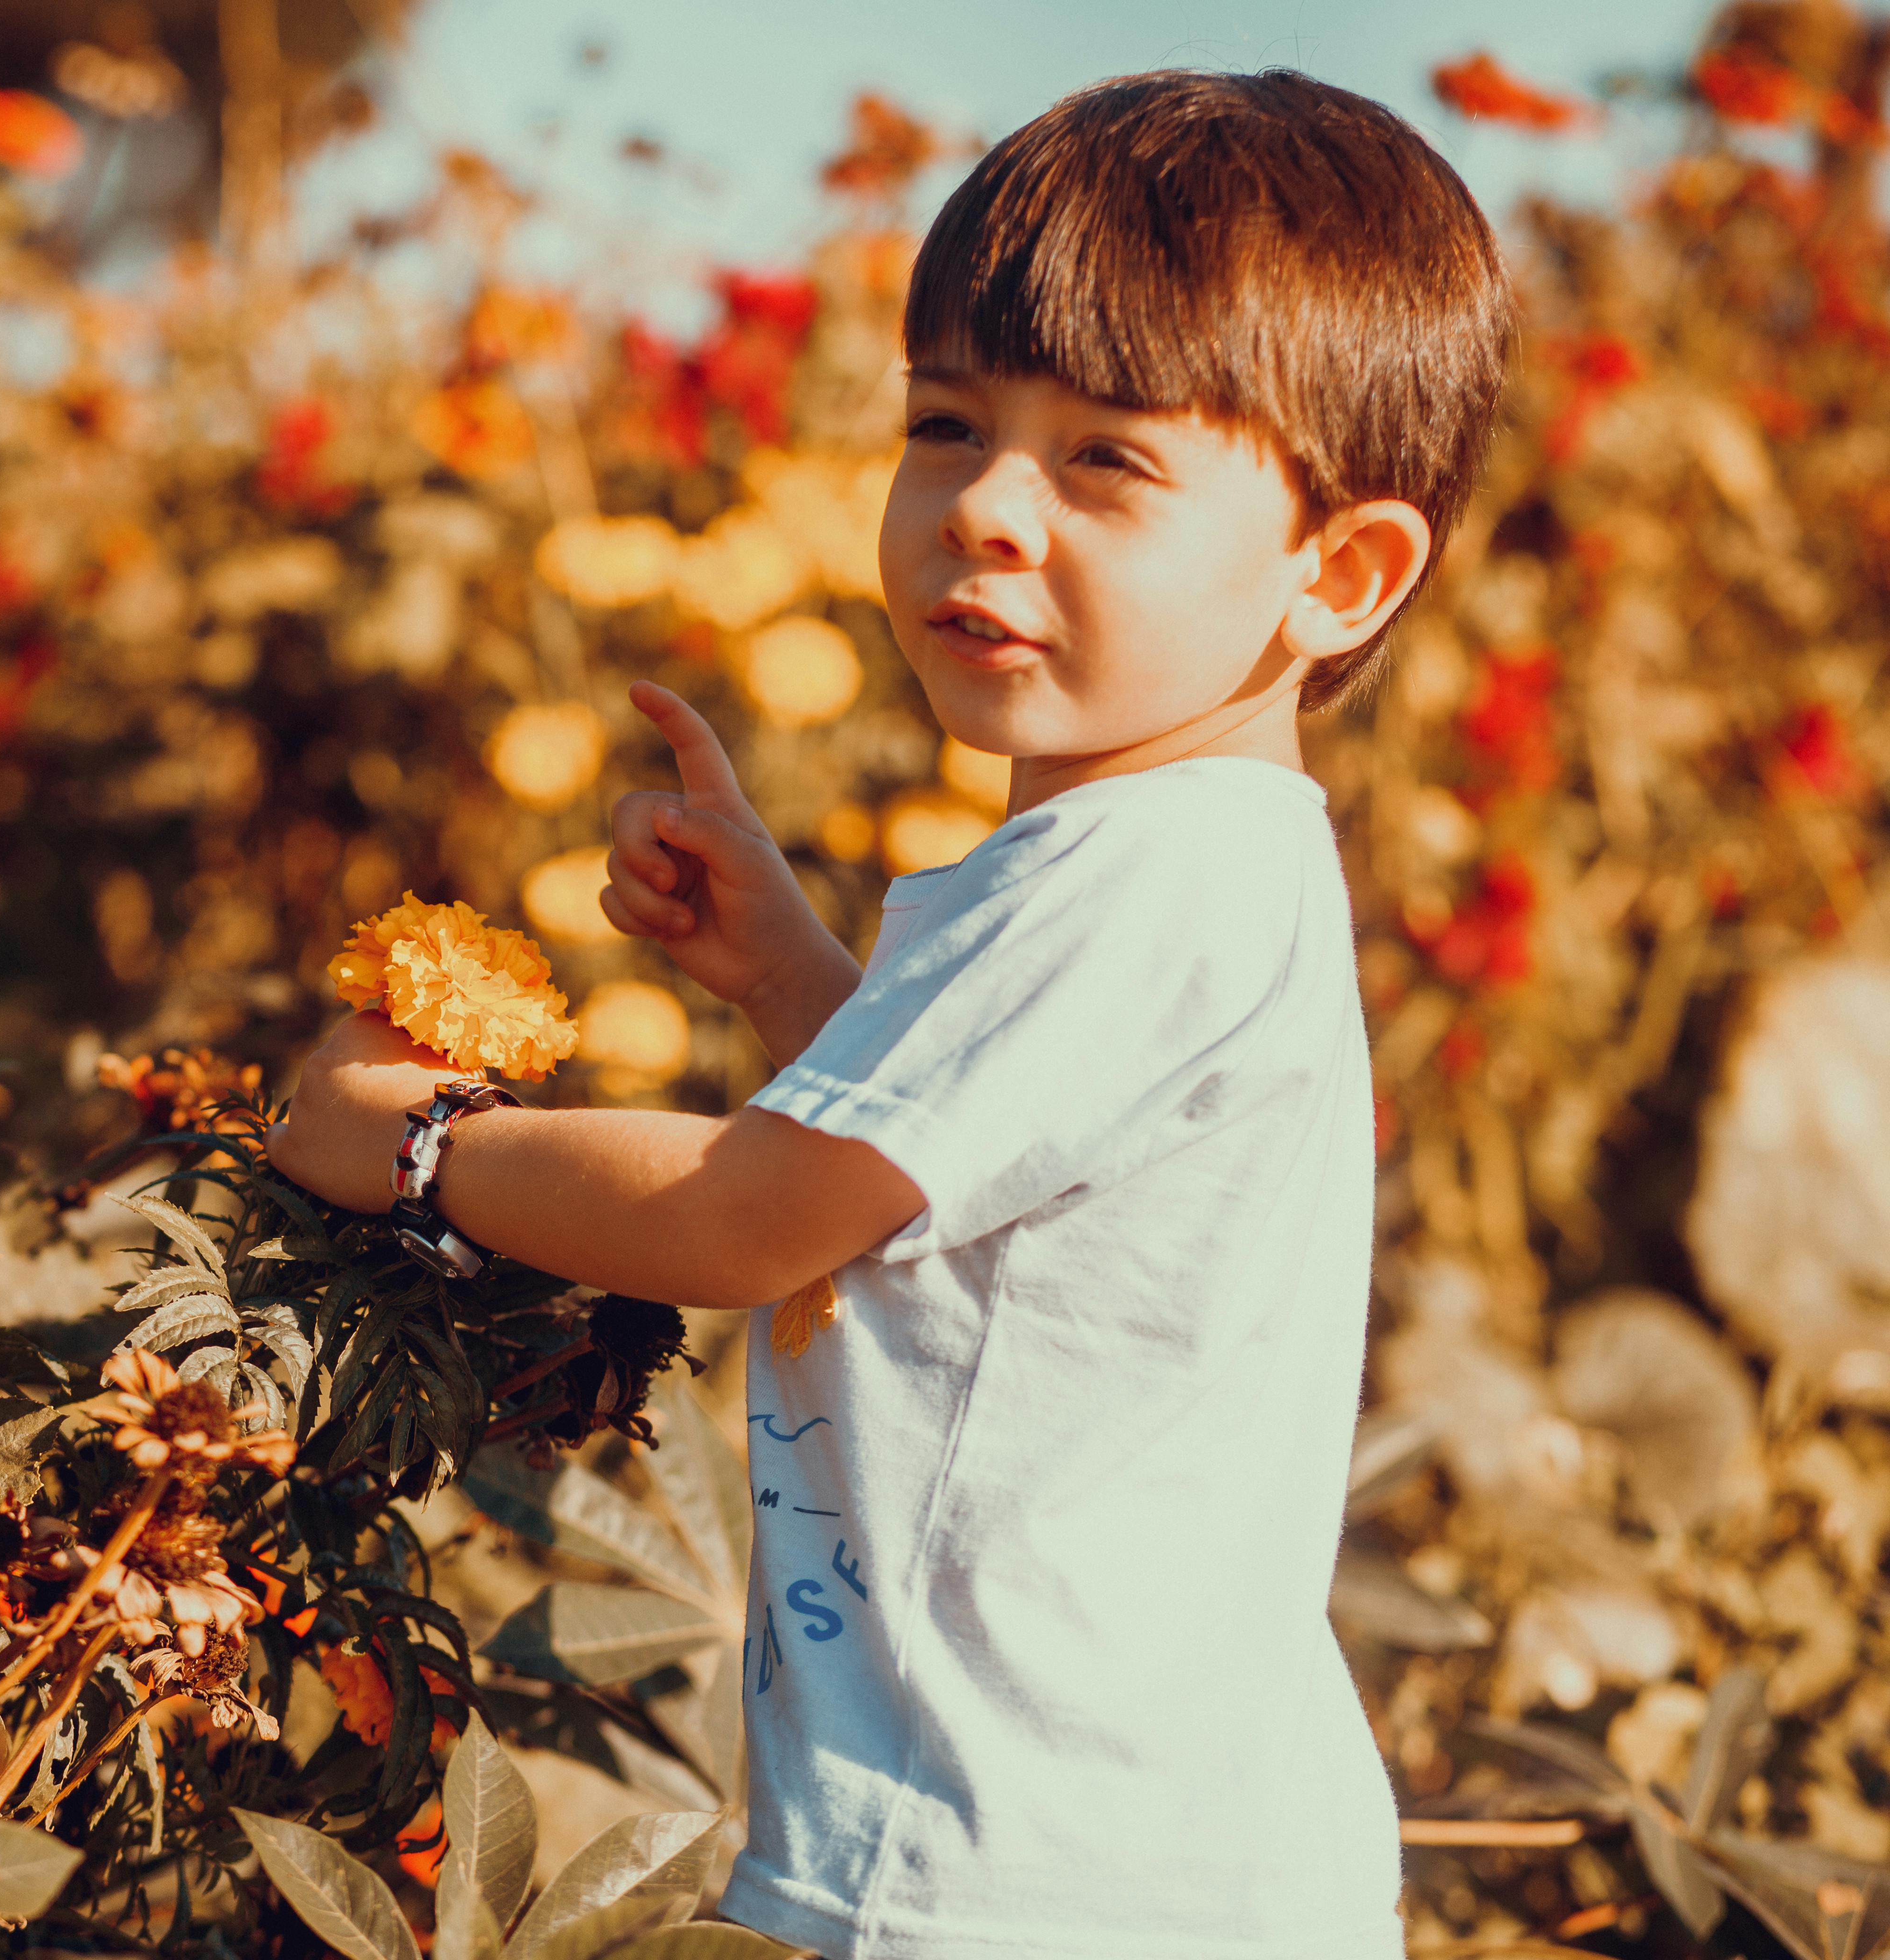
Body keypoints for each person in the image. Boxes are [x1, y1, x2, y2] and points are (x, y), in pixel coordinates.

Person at [269, 66, 1510, 1960]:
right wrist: (793, 980)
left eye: (1107, 461)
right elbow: (979, 1213)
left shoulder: (1145, 874)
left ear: (1336, 575)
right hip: (1112, 1857)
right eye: (948, 425)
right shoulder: (1177, 861)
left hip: (1021, 1881)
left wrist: (412, 1145)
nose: (988, 510)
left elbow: (750, 1219)